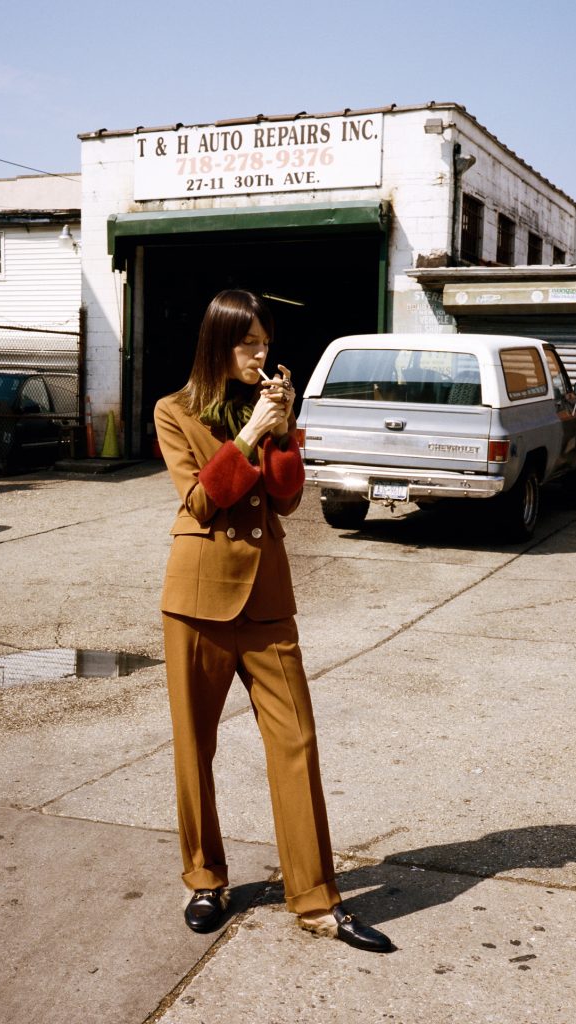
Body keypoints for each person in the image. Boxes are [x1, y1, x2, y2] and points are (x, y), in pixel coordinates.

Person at [154, 289, 392, 954]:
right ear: (219, 345)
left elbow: (286, 499)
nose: (262, 354)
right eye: (248, 343)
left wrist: (284, 430)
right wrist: (251, 433)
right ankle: (205, 879)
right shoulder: (173, 411)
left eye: (265, 342)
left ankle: (316, 900)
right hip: (196, 601)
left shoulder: (273, 407)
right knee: (193, 749)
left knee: (297, 744)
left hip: (267, 601)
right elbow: (202, 501)